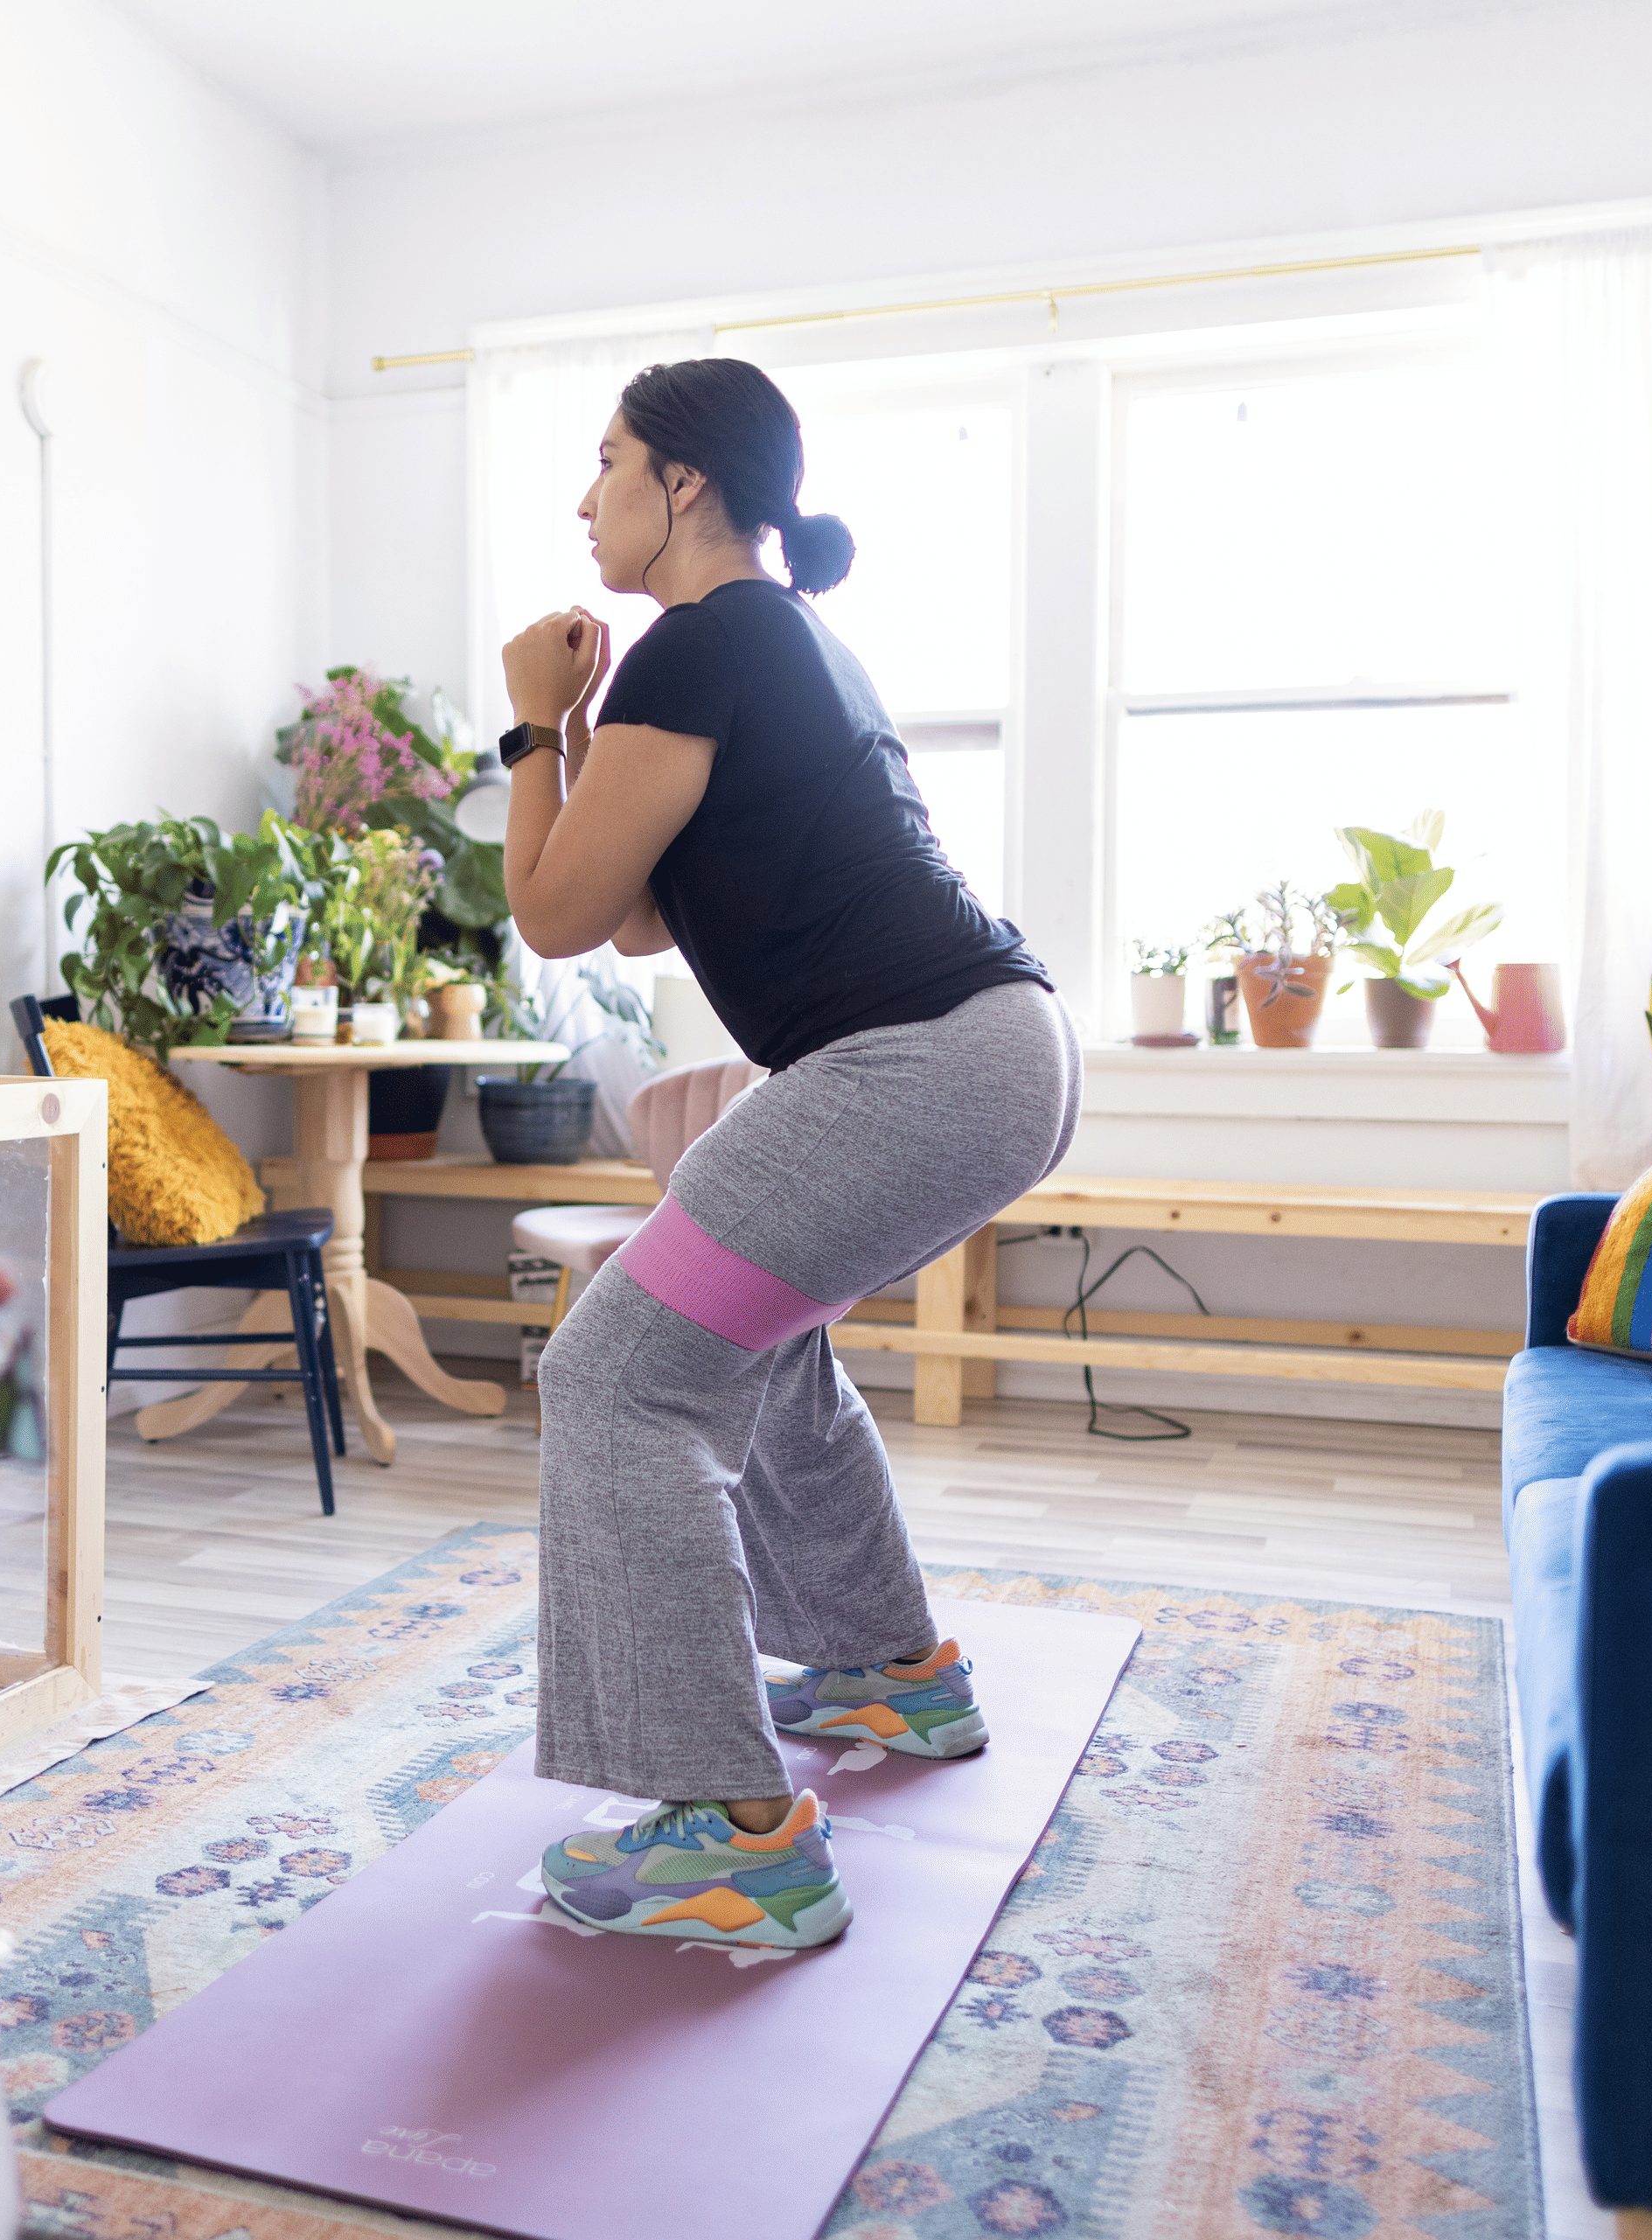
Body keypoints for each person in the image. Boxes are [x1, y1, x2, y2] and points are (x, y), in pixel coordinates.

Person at [496, 359, 1081, 1950]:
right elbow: (623, 907)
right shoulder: (758, 643)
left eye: (605, 459)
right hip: (983, 1052)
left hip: (920, 1059)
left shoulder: (713, 637)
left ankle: (730, 1833)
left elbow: (544, 916)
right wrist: (577, 732)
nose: (583, 496)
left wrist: (527, 727)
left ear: (684, 483)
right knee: (749, 1336)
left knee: (615, 1376)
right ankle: (887, 1671)